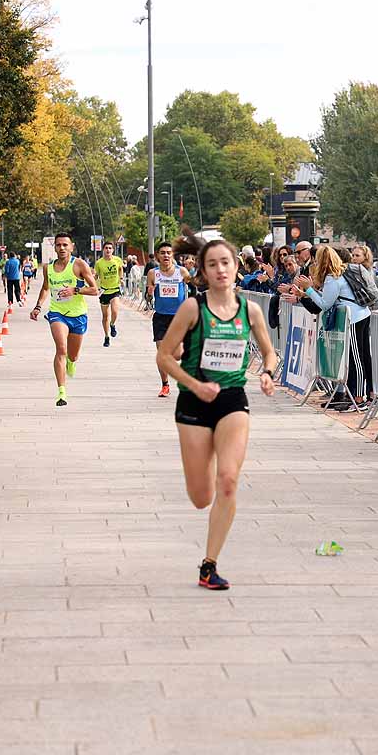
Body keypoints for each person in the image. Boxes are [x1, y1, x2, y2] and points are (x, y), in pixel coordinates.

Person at [155, 239, 279, 591]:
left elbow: (270, 354)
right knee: (201, 497)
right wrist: (194, 384)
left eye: (226, 262)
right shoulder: (193, 309)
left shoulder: (250, 311)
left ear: (236, 266)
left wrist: (268, 374)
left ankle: (209, 565)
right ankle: (204, 465)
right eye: (213, 264)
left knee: (228, 480)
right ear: (203, 271)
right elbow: (164, 356)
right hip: (194, 403)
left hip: (231, 400)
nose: (221, 270)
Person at [293, 245, 374, 412]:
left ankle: (358, 399)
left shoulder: (332, 277)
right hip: (362, 314)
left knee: (356, 359)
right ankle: (368, 394)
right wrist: (307, 294)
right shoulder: (342, 272)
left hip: (353, 319)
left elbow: (325, 303)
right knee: (364, 356)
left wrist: (308, 288)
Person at [29, 232, 99, 406]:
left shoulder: (79, 265)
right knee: (61, 349)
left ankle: (71, 361)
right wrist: (38, 306)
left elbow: (95, 290)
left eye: (65, 245)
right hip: (57, 313)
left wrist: (75, 290)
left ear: (71, 247)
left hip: (78, 315)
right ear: (55, 247)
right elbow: (46, 288)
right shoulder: (48, 267)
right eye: (58, 245)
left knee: (72, 355)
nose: (61, 248)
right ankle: (62, 392)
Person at [147, 240, 191, 397]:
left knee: (177, 355)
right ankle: (165, 385)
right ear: (158, 256)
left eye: (168, 253)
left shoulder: (182, 272)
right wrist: (149, 293)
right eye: (163, 253)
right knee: (162, 354)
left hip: (178, 318)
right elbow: (148, 296)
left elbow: (194, 285)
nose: (166, 255)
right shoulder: (153, 273)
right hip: (160, 318)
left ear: (173, 255)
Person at [93, 242, 124, 346]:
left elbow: (120, 269)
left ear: (113, 250)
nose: (108, 250)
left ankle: (112, 324)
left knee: (115, 311)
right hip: (104, 291)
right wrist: (94, 283)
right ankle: (106, 337)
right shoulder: (99, 263)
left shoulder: (117, 260)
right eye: (106, 248)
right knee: (105, 316)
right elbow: (96, 275)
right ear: (103, 249)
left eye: (110, 248)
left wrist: (121, 278)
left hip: (115, 289)